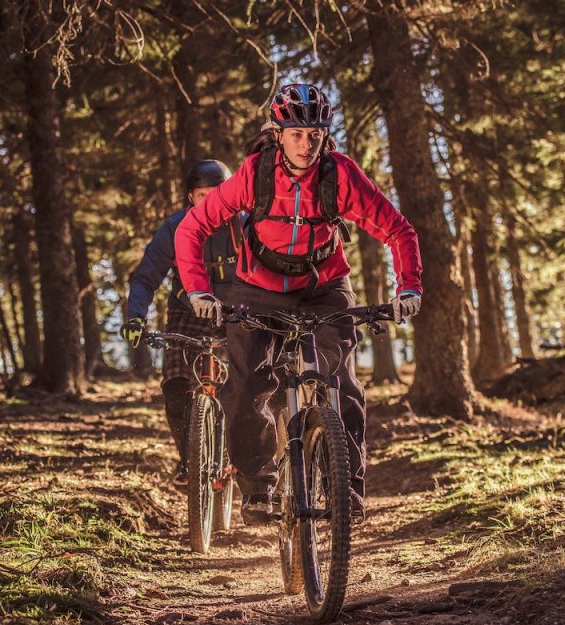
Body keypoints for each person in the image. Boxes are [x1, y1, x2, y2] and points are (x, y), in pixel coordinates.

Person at [174, 83, 423, 525]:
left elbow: (397, 230)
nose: (307, 144)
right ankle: (257, 485)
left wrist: (409, 287)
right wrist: (198, 290)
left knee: (341, 382)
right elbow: (192, 228)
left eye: (315, 134)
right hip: (257, 286)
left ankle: (346, 488)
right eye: (296, 134)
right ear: (279, 134)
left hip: (323, 286)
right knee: (247, 383)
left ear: (325, 135)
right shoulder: (255, 173)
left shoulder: (340, 174)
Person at [121, 159, 244, 486]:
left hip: (237, 313)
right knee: (175, 386)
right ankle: (189, 461)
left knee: (248, 387)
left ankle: (247, 459)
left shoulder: (247, 225)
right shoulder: (174, 228)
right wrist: (135, 317)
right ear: (190, 198)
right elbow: (145, 277)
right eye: (201, 195)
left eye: (216, 194)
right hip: (185, 313)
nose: (209, 202)